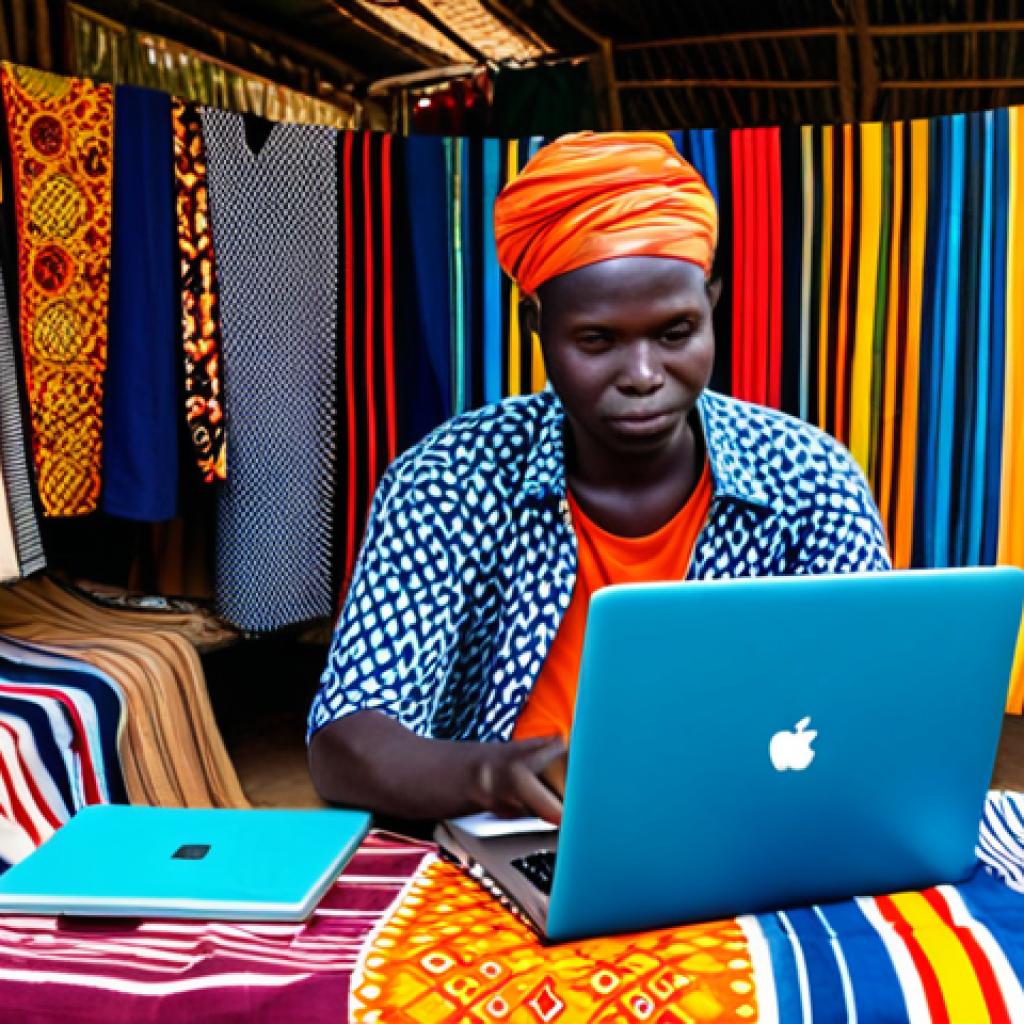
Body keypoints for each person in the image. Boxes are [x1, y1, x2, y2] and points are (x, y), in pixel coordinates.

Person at [307, 132, 890, 826]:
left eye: (675, 332)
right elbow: (345, 743)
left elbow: (871, 703)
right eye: (597, 340)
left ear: (712, 304)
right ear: (537, 324)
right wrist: (494, 774)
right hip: (512, 838)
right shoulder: (447, 482)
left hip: (750, 828)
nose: (642, 375)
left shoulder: (809, 479)